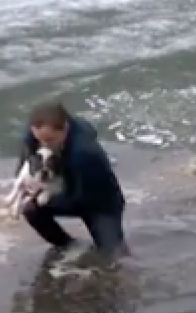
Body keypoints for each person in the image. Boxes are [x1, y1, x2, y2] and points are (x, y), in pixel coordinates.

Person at [17, 101, 129, 259]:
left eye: (49, 140)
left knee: (115, 256)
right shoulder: (37, 134)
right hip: (66, 188)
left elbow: (81, 197)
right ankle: (67, 246)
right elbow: (25, 161)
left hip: (100, 203)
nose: (43, 145)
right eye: (39, 139)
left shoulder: (84, 152)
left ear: (65, 129)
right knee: (29, 208)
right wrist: (27, 189)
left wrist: (46, 198)